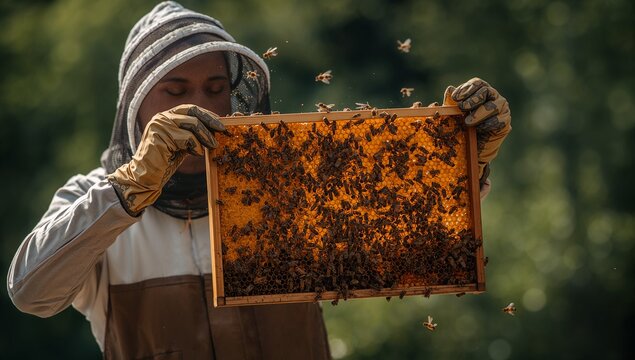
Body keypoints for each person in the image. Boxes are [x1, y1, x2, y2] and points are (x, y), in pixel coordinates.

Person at [7, 1, 511, 359]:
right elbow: (31, 293)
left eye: (215, 87)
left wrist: (460, 160)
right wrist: (132, 185)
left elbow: (409, 242)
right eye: (174, 90)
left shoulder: (288, 187)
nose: (198, 106)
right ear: (138, 104)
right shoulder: (93, 199)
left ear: (235, 96)